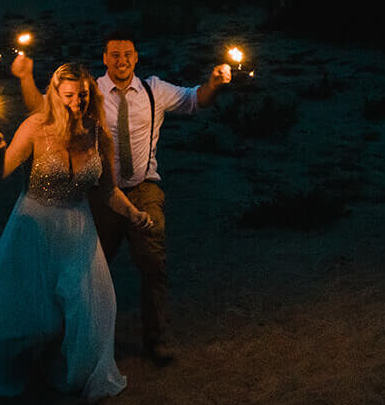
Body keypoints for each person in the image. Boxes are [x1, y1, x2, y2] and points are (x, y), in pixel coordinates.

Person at [14, 31, 230, 364]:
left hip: (145, 187)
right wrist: (26, 78)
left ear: (136, 56)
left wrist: (215, 81)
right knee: (85, 269)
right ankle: (71, 340)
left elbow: (196, 99)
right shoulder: (90, 92)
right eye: (114, 54)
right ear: (104, 58)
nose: (122, 60)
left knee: (154, 262)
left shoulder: (153, 90)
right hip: (100, 191)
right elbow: (43, 110)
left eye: (127, 54)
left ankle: (155, 341)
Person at [0, 62, 154, 405]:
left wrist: (133, 213)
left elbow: (106, 190)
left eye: (83, 94)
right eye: (70, 95)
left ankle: (75, 373)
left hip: (78, 229)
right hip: (34, 226)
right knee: (30, 312)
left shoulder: (97, 133)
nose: (78, 101)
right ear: (55, 95)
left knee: (90, 306)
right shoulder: (34, 127)